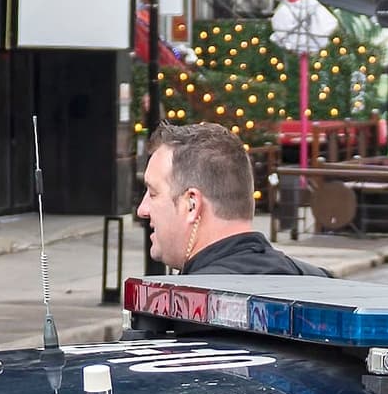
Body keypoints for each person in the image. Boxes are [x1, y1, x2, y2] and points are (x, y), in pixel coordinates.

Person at [137, 119, 320, 277]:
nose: (142, 210)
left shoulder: (180, 307)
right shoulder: (320, 281)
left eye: (153, 194)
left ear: (192, 204)